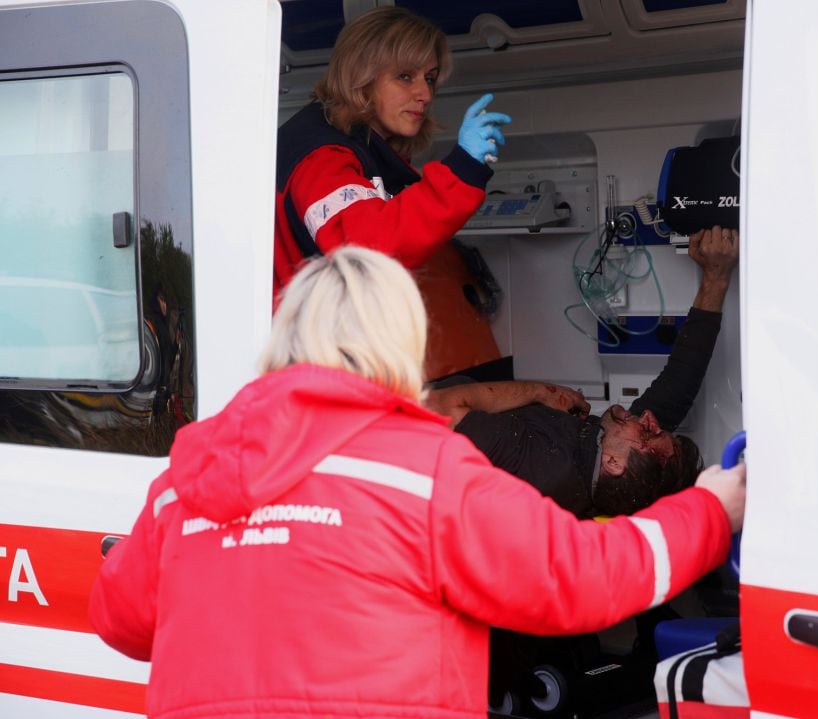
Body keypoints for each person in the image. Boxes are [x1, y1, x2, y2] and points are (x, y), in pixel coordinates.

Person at [88, 246, 746, 719]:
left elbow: (120, 620)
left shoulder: (185, 478)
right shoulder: (420, 471)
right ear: (402, 342)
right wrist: (710, 509)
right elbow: (584, 575)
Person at [427, 225, 739, 518]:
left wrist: (540, 391)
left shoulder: (540, 466)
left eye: (648, 432)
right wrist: (716, 277)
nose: (650, 419)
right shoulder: (610, 465)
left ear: (614, 463)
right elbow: (679, 384)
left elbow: (437, 409)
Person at [275, 6, 511, 379]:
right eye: (405, 77)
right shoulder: (322, 156)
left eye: (430, 79)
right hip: (307, 369)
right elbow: (367, 250)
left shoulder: (364, 149)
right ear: (361, 78)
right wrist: (462, 169)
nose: (424, 94)